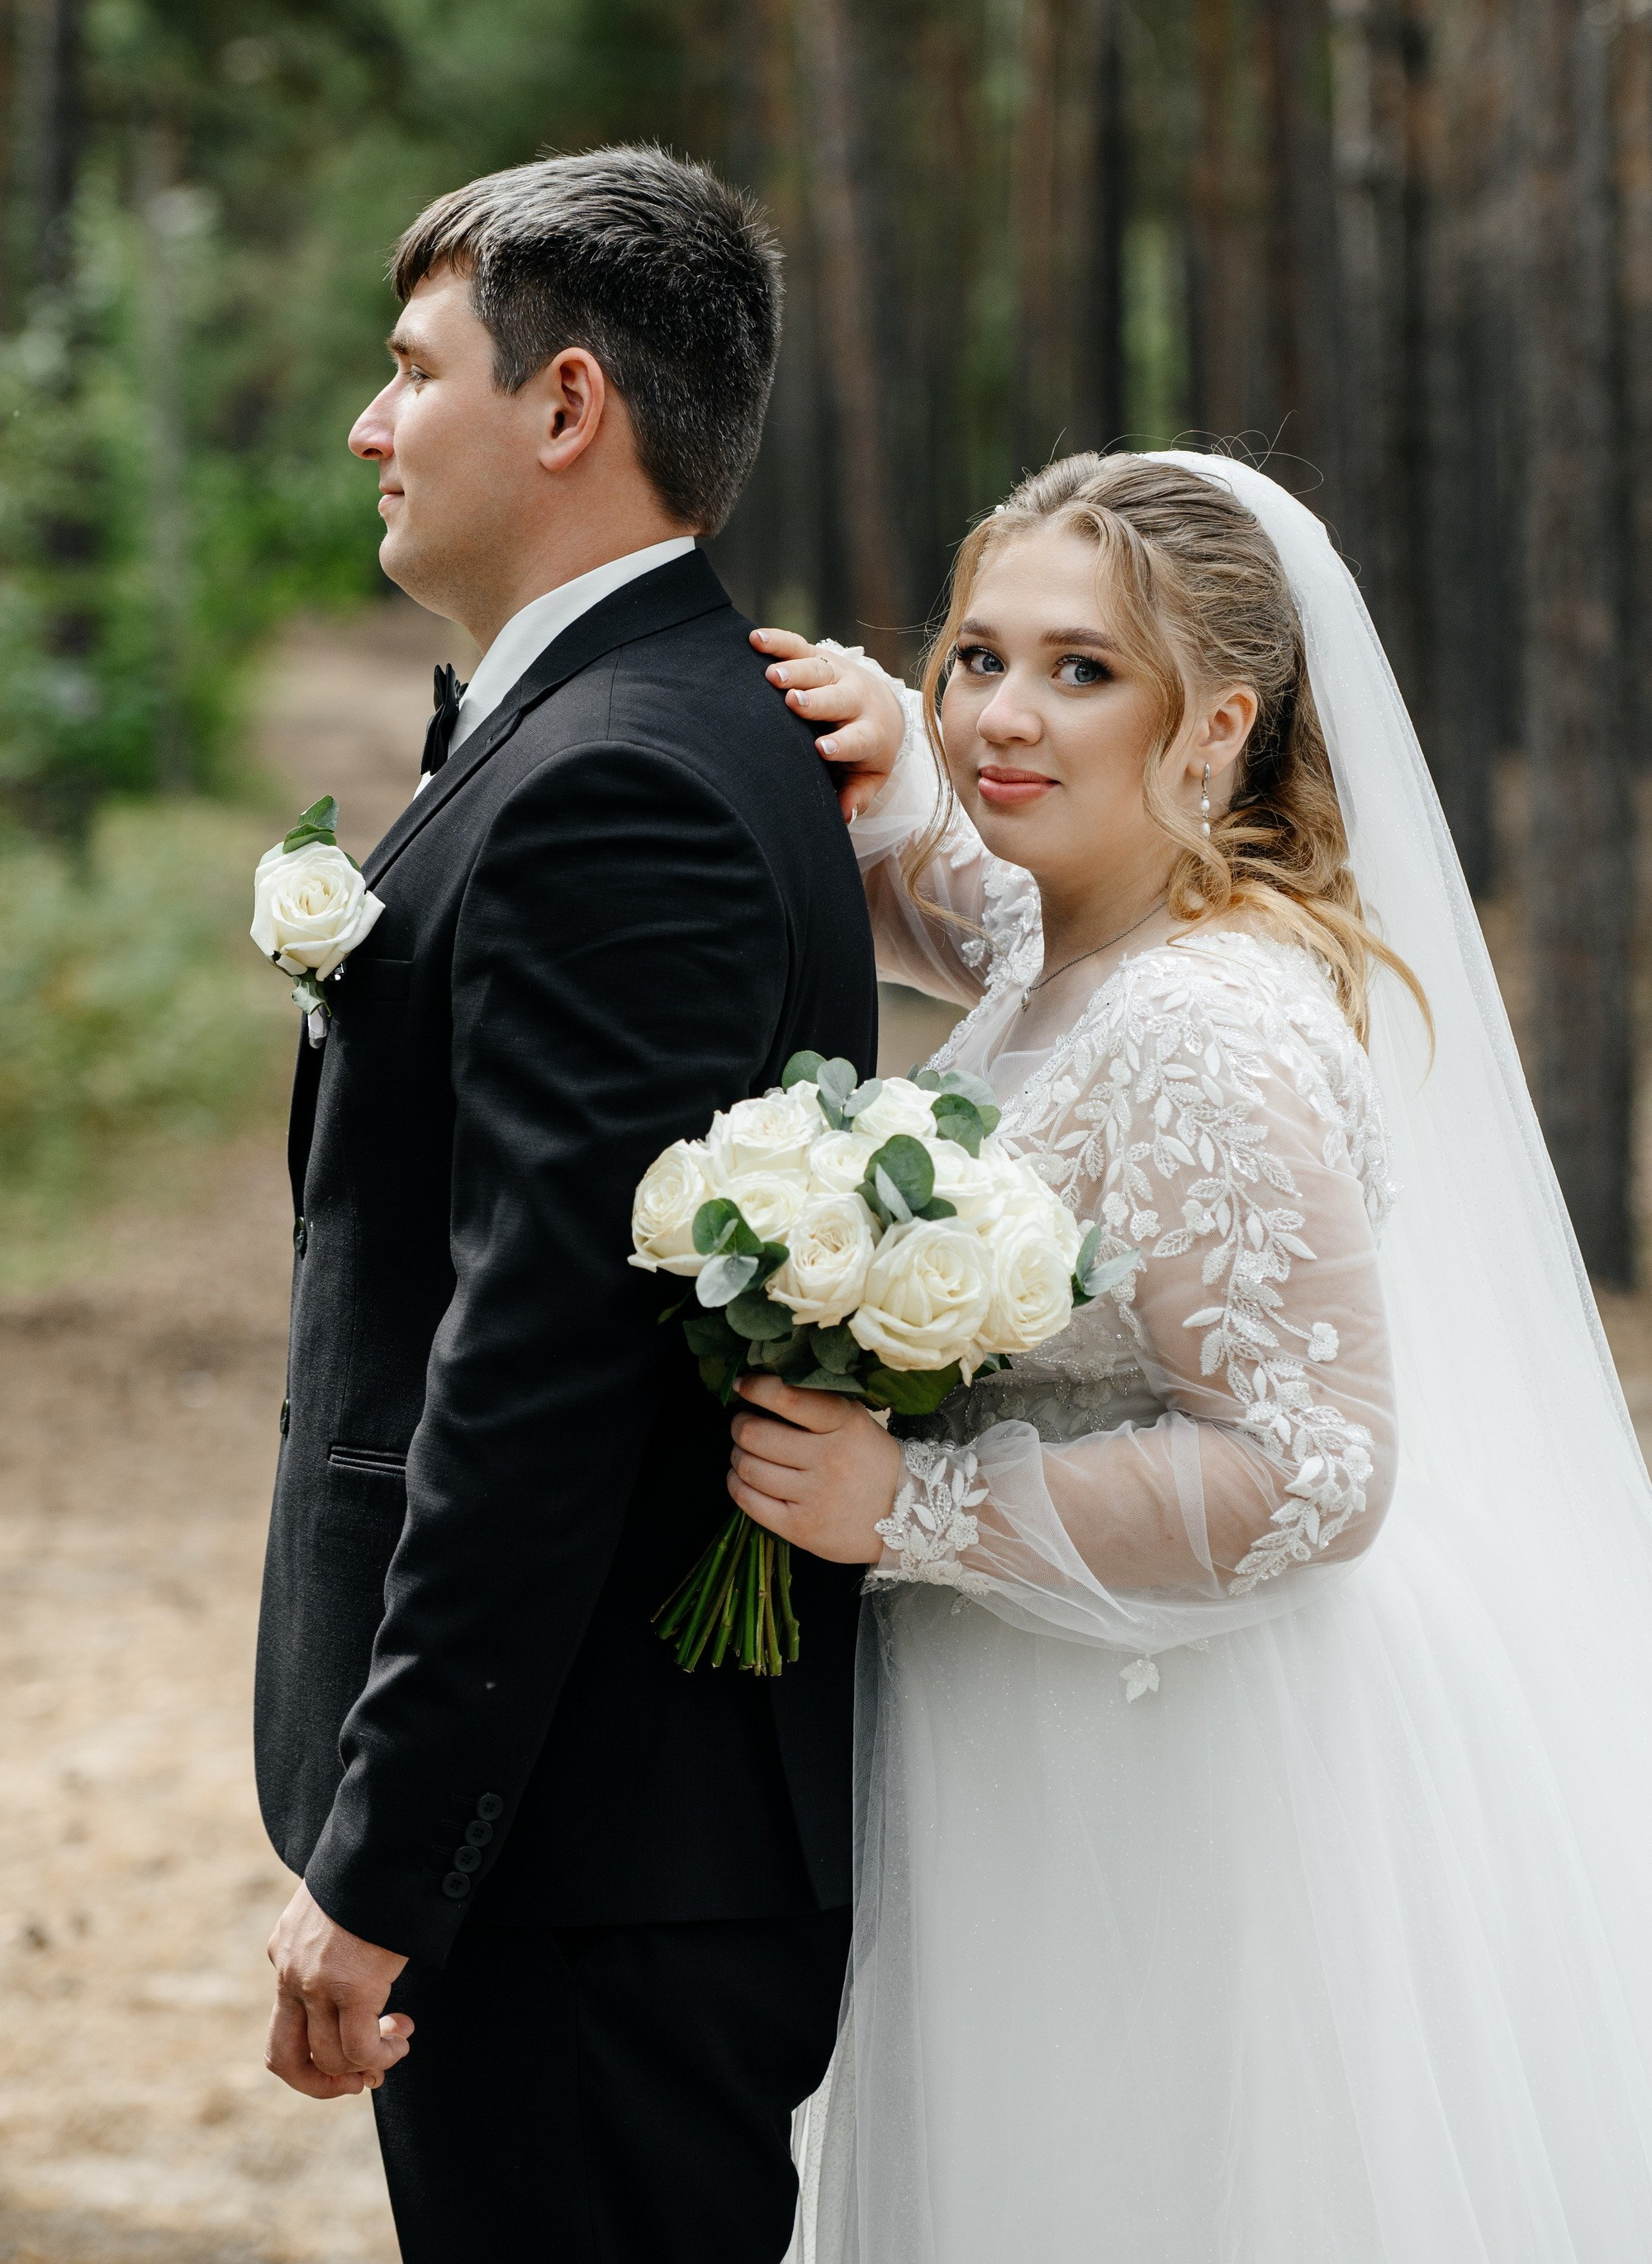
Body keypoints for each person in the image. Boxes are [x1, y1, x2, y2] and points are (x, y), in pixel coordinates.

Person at [730, 450, 1652, 2262]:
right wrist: (894, 765)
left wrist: (902, 1500)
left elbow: (1315, 1468)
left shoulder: (1199, 1028)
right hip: (1042, 1727)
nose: (1004, 712)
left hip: (1172, 1777)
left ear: (1215, 722)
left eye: (1083, 672)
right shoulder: (1093, 934)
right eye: (976, 655)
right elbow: (976, 921)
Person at [254, 147, 894, 2264]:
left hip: (585, 1849)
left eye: (409, 368)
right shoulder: (627, 726)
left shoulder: (619, 777)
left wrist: (390, 1859)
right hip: (601, 1840)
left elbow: (538, 1366)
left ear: (565, 409)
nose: (369, 422)